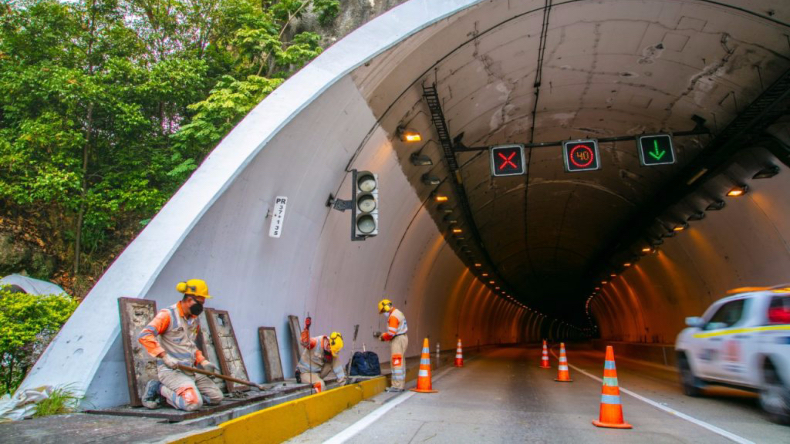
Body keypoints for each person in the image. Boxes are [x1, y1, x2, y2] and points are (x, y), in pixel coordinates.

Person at [138, 279, 223, 411]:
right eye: (200, 303)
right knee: (193, 404)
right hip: (172, 371)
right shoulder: (167, 315)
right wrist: (164, 356)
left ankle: (187, 391)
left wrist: (204, 362)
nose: (202, 307)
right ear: (189, 300)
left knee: (216, 398)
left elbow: (190, 345)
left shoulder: (193, 320)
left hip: (189, 370)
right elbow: (145, 335)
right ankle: (158, 388)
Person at [296, 317, 345, 393]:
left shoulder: (332, 347)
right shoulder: (315, 342)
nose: (330, 352)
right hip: (304, 373)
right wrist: (306, 328)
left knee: (335, 358)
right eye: (330, 350)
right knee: (321, 384)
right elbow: (304, 342)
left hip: (317, 373)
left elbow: (337, 366)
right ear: (328, 344)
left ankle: (343, 383)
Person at [374, 299, 408, 392]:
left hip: (397, 340)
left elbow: (391, 333)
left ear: (386, 307)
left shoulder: (393, 316)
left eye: (384, 311)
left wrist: (382, 336)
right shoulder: (398, 312)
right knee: (400, 362)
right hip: (402, 338)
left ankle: (397, 386)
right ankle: (400, 384)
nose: (384, 313)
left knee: (396, 362)